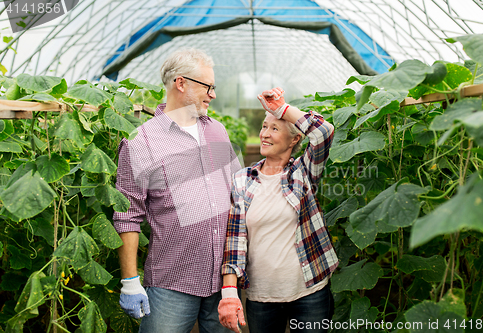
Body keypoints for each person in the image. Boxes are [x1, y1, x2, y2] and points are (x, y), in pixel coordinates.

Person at [113, 48, 241, 333]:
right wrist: (130, 281)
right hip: (173, 282)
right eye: (208, 87)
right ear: (181, 83)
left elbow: (236, 193)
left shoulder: (217, 131)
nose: (213, 95)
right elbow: (127, 217)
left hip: (224, 283)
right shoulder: (140, 142)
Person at [218, 87, 338, 333]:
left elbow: (324, 132)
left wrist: (282, 109)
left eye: (275, 128)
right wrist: (230, 293)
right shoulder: (242, 179)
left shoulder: (302, 173)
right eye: (264, 126)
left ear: (295, 139)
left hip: (309, 290)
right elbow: (234, 240)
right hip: (261, 296)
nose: (265, 134)